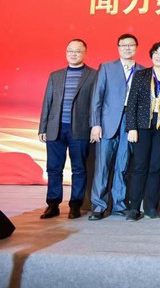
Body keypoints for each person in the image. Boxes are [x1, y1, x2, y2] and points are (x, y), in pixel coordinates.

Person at [38, 39, 97, 219]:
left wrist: (95, 126)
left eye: (78, 51)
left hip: (80, 129)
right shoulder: (55, 75)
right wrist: (43, 127)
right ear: (66, 53)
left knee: (79, 169)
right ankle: (53, 204)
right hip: (55, 128)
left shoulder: (94, 75)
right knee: (53, 168)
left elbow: (97, 104)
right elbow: (47, 102)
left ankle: (75, 205)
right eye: (70, 50)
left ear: (85, 53)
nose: (73, 54)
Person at [125, 42, 160, 222]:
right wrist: (131, 127)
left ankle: (151, 207)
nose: (159, 56)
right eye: (156, 52)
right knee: (139, 166)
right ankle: (134, 208)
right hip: (142, 126)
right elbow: (132, 103)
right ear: (151, 55)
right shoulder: (140, 75)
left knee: (156, 168)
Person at [88, 34, 144, 220]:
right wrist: (95, 124)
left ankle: (119, 205)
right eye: (123, 45)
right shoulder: (106, 68)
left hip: (130, 122)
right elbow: (97, 97)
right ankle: (98, 206)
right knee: (102, 166)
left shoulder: (142, 71)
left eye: (131, 45)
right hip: (107, 123)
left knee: (123, 164)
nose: (127, 48)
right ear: (118, 48)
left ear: (136, 47)